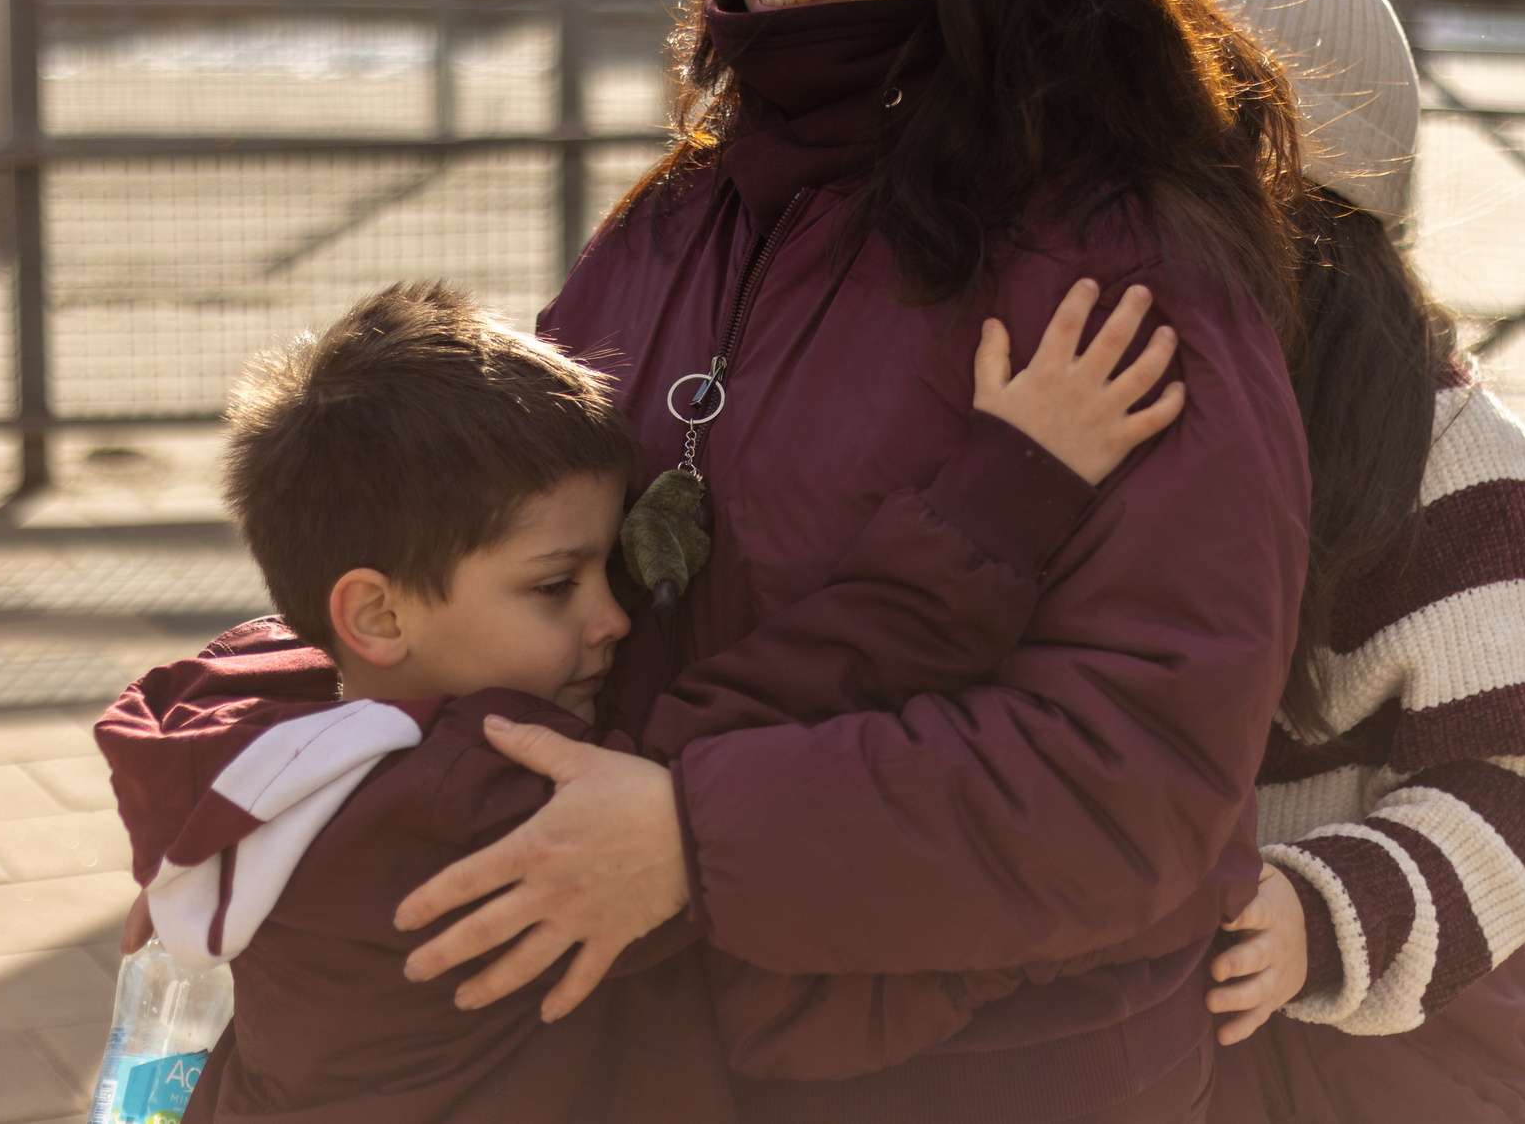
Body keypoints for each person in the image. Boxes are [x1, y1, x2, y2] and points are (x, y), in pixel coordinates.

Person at [387, 0, 1311, 1124]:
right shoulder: (692, 202)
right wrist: (277, 793)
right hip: (678, 1030)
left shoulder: (1116, 253)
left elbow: (1137, 772)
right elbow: (486, 557)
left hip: (991, 1065)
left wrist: (700, 836)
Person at [97, 275, 1188, 1123]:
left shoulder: (258, 738)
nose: (612, 619)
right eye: (552, 585)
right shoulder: (469, 810)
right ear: (376, 617)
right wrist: (1013, 484)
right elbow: (779, 697)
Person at [1196, 0, 1525, 1123]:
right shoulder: (1150, 396)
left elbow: (1512, 791)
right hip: (1179, 1007)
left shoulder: (1458, 461)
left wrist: (1314, 917)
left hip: (1384, 1035)